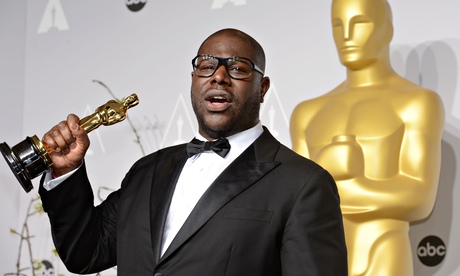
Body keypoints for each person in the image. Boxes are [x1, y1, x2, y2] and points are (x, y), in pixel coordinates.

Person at [38, 28, 348, 275]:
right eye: (207, 66)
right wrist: (66, 171)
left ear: (262, 88)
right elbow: (86, 253)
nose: (219, 76)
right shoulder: (146, 171)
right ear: (194, 79)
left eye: (238, 68)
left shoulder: (303, 184)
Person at [290, 0, 444, 275]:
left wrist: (336, 187)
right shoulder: (307, 113)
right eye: (338, 25)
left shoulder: (417, 103)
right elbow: (295, 204)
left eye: (359, 23)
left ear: (388, 29)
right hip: (315, 260)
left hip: (383, 256)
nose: (346, 35)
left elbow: (419, 197)